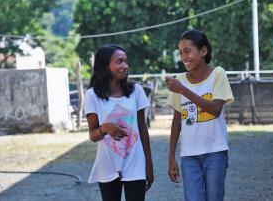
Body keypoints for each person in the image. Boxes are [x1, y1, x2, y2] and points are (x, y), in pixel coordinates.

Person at [166, 30, 234, 201]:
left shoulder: (218, 74)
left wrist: (182, 90)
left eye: (187, 51)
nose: (183, 57)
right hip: (189, 155)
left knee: (215, 197)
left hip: (215, 152)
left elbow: (215, 109)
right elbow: (177, 121)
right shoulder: (179, 79)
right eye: (181, 52)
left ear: (203, 51)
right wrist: (171, 157)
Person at [84, 44, 154, 201]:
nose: (125, 66)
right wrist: (105, 129)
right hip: (107, 164)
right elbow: (93, 135)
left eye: (125, 61)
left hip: (135, 163)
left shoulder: (136, 91)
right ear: (105, 66)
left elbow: (142, 129)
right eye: (119, 61)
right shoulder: (92, 95)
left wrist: (149, 164)